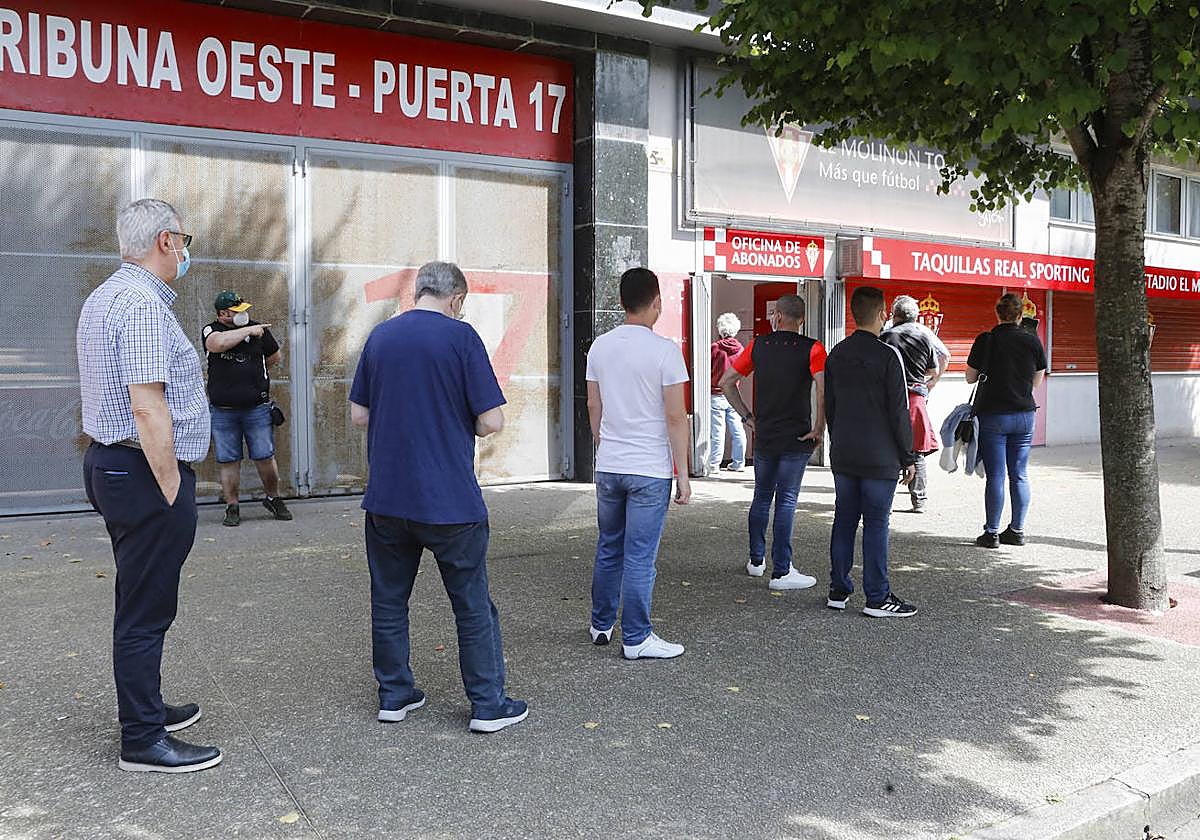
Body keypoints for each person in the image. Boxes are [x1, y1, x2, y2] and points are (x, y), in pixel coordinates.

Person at [349, 261, 526, 733]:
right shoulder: (461, 338)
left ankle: (394, 695)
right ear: (456, 299)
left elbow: (359, 415)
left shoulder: (380, 337)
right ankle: (487, 704)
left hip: (387, 498)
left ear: (419, 291)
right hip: (450, 501)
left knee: (389, 601)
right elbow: (491, 420)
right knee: (471, 604)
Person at [77, 198, 222, 772]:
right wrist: (171, 488)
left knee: (139, 597)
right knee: (146, 610)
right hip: (142, 471)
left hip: (116, 466)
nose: (185, 251)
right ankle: (142, 739)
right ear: (166, 241)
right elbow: (147, 405)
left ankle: (147, 707)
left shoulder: (108, 295)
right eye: (184, 240)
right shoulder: (140, 305)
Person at [586, 267, 692, 660]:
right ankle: (636, 637)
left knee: (609, 546)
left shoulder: (599, 347)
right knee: (640, 556)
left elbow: (593, 404)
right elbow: (675, 417)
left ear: (621, 302)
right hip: (649, 469)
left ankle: (601, 624)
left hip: (610, 463)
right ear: (657, 302)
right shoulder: (666, 351)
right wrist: (683, 473)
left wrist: (603, 442)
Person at [824, 286, 918, 618]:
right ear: (881, 314)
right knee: (876, 524)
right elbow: (899, 412)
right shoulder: (889, 356)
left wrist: (837, 441)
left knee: (844, 519)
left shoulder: (836, 354)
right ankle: (877, 597)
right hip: (880, 455)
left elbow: (830, 406)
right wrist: (908, 457)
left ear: (853, 313)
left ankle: (838, 589)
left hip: (845, 452)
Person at [720, 295, 826, 589]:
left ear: (777, 315)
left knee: (762, 496)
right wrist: (819, 427)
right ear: (801, 320)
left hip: (765, 435)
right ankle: (782, 571)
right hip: (797, 436)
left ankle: (756, 561)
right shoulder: (814, 348)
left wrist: (747, 416)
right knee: (787, 499)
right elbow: (822, 389)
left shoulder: (758, 345)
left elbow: (726, 382)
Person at [201, 290, 291, 526]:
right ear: (223, 314)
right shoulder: (212, 330)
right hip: (223, 410)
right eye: (236, 311)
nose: (244, 314)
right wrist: (248, 331)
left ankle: (273, 498)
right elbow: (216, 344)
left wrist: (252, 372)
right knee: (228, 460)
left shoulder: (260, 330)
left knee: (264, 456)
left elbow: (274, 357)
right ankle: (232, 505)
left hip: (256, 408)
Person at [966, 293, 1048, 549]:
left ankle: (991, 533)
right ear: (1020, 315)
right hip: (1024, 415)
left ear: (997, 313)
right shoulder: (1032, 340)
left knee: (996, 475)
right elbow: (1037, 381)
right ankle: (1017, 530)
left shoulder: (986, 340)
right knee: (1020, 474)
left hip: (994, 416)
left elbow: (970, 378)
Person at [882, 295, 941, 513]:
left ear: (895, 315)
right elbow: (933, 370)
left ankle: (885, 502)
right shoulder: (925, 337)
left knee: (889, 449)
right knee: (916, 451)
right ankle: (919, 500)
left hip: (890, 398)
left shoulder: (886, 336)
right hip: (916, 398)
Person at [709, 312, 746, 474]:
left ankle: (714, 464)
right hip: (733, 394)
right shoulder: (741, 349)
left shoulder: (714, 348)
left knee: (717, 432)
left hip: (715, 393)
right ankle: (739, 462)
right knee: (737, 429)